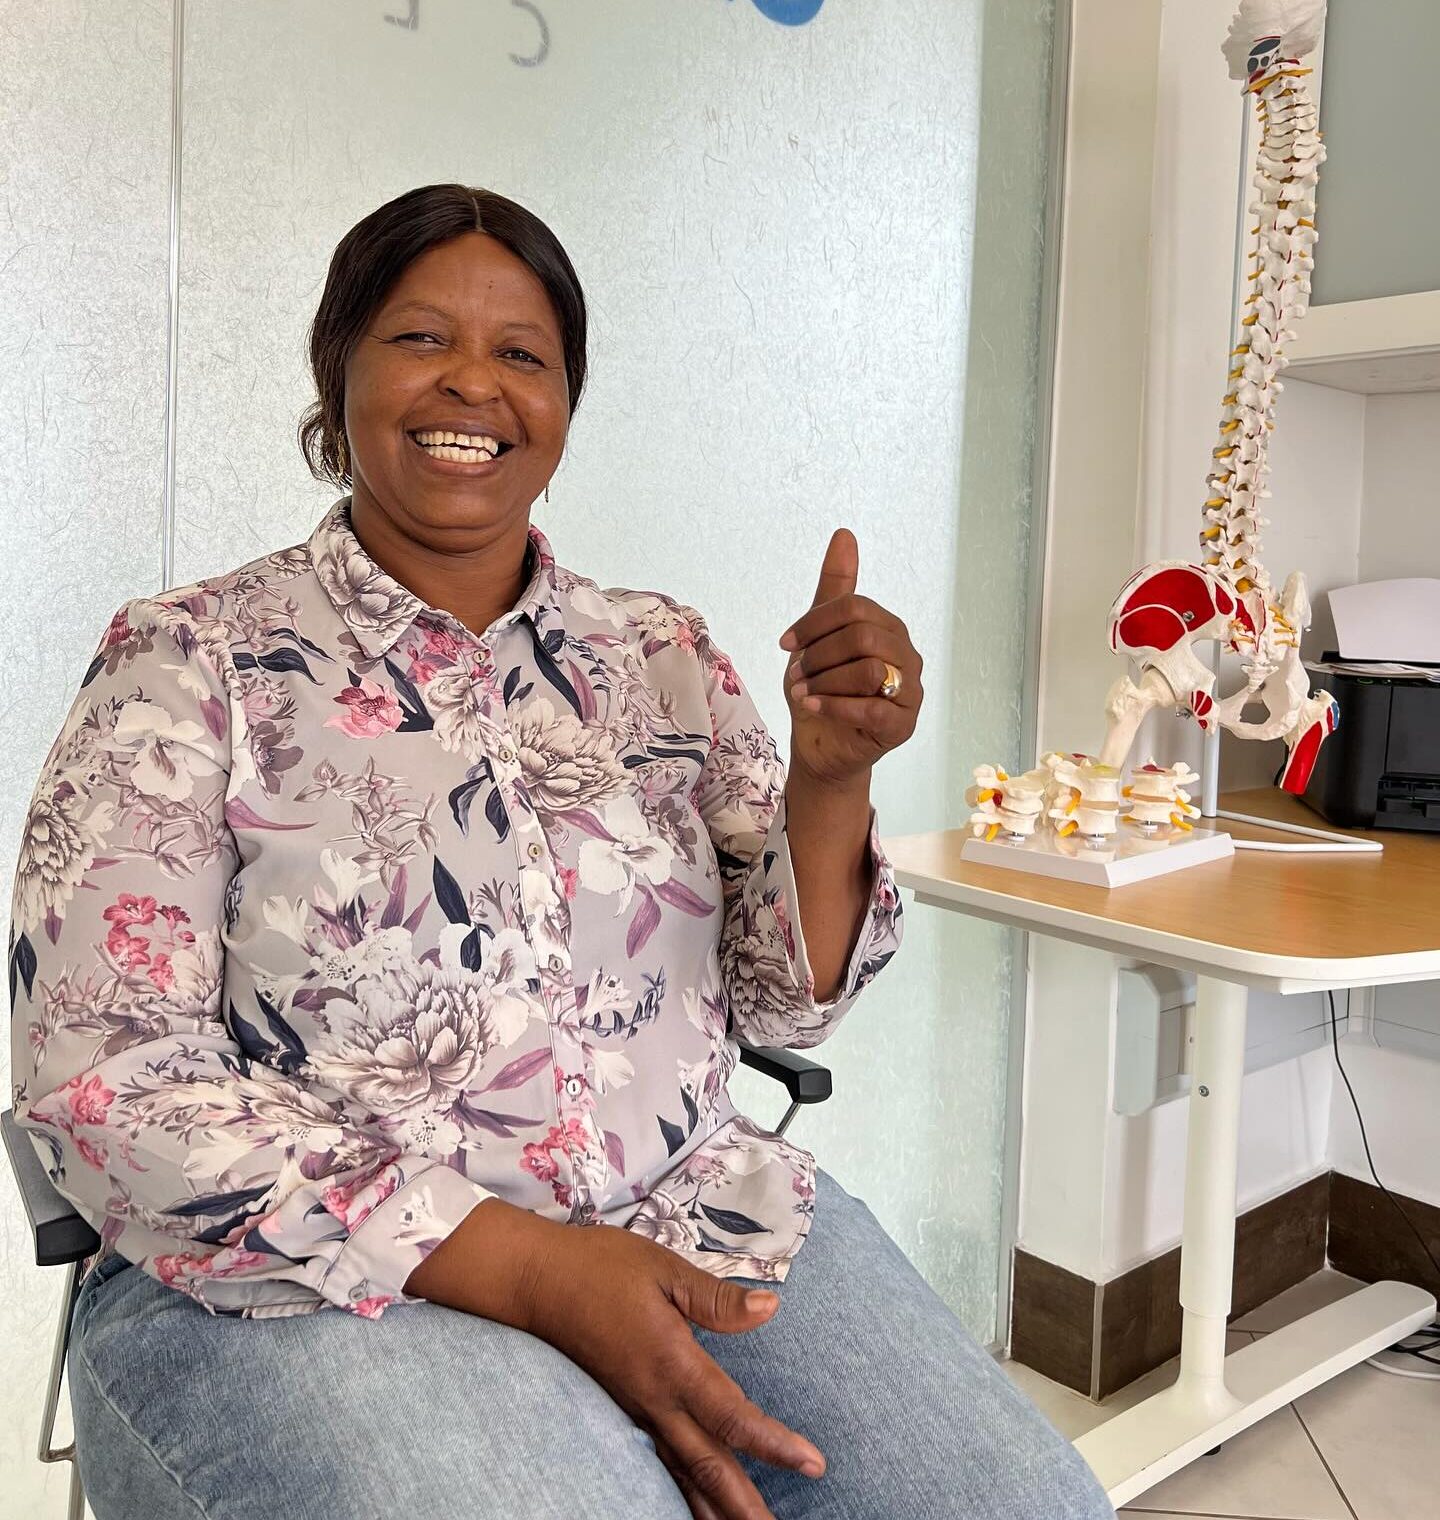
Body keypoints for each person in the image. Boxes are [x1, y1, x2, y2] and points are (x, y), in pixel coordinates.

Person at [9, 184, 1113, 1520]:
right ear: (337, 370)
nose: (472, 382)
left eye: (523, 354)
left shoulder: (661, 658)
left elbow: (784, 1002)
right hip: (322, 1265)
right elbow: (105, 1083)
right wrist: (528, 1267)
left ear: (565, 408)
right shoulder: (191, 662)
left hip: (687, 1201)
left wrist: (833, 779)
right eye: (420, 339)